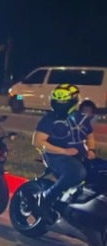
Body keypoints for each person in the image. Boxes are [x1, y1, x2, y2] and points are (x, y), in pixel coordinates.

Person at [33, 84, 103, 219]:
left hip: (80, 156)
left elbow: (89, 136)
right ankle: (46, 198)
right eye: (58, 101)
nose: (61, 104)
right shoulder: (49, 119)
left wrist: (91, 150)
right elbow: (38, 141)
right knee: (77, 173)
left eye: (64, 101)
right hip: (56, 156)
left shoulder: (81, 117)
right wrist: (63, 151)